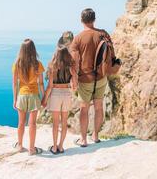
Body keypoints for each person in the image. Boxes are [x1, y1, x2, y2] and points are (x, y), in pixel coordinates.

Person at [70, 8, 111, 147]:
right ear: (94, 19)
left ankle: (83, 139)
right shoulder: (103, 34)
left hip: (85, 79)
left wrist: (74, 79)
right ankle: (96, 136)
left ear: (82, 20)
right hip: (101, 77)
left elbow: (74, 62)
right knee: (99, 107)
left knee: (84, 108)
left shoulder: (78, 39)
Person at [42, 32, 78, 154]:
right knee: (64, 122)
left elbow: (50, 86)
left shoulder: (53, 65)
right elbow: (75, 84)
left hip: (56, 93)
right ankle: (61, 146)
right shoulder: (71, 65)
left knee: (55, 123)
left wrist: (44, 99)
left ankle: (54, 147)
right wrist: (72, 88)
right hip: (66, 93)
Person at [12, 39, 45, 155]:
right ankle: (31, 149)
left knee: (21, 123)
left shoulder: (17, 65)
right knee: (32, 124)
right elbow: (41, 83)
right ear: (33, 50)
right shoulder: (38, 64)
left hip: (21, 95)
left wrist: (14, 99)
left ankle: (20, 145)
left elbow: (15, 84)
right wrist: (44, 97)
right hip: (34, 96)